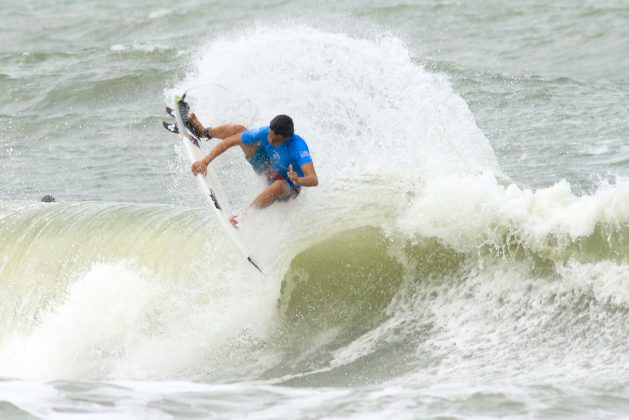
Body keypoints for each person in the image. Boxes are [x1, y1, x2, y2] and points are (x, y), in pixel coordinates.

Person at [180, 103, 318, 226]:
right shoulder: (266, 132)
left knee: (279, 185)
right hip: (268, 168)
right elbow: (230, 141)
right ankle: (203, 132)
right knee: (238, 130)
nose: (269, 140)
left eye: (275, 140)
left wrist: (298, 179)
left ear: (287, 138)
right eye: (269, 135)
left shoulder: (298, 147)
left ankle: (244, 216)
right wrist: (205, 162)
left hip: (289, 187)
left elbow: (313, 179)